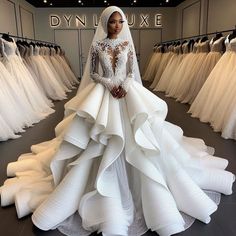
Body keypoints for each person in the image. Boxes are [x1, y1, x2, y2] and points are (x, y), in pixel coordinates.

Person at [0, 6, 234, 236]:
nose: (117, 26)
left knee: (139, 138)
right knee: (99, 138)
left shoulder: (126, 44)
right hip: (105, 92)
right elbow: (92, 73)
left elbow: (132, 71)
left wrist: (125, 84)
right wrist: (109, 83)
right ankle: (99, 194)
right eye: (113, 22)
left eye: (120, 22)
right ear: (105, 23)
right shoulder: (98, 46)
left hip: (127, 92)